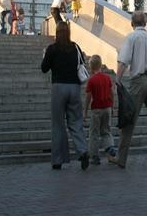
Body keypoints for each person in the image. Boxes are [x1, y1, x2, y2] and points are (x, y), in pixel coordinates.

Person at [112, 11, 147, 170]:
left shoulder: (132, 37)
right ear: (145, 23)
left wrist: (117, 80)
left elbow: (123, 62)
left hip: (138, 81)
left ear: (132, 23)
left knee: (129, 120)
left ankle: (121, 159)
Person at [41, 22, 90, 170]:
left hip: (58, 88)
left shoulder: (52, 49)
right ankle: (82, 150)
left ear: (57, 32)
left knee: (58, 124)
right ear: (68, 32)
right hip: (74, 88)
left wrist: (45, 56)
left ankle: (57, 160)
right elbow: (82, 64)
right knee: (76, 121)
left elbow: (44, 68)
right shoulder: (75, 47)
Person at [83, 54, 116, 165]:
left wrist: (85, 111)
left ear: (91, 67)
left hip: (96, 109)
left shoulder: (91, 80)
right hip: (107, 107)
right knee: (106, 130)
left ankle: (94, 156)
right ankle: (110, 147)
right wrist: (113, 106)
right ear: (101, 65)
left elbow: (88, 97)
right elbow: (112, 93)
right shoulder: (107, 78)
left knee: (94, 133)